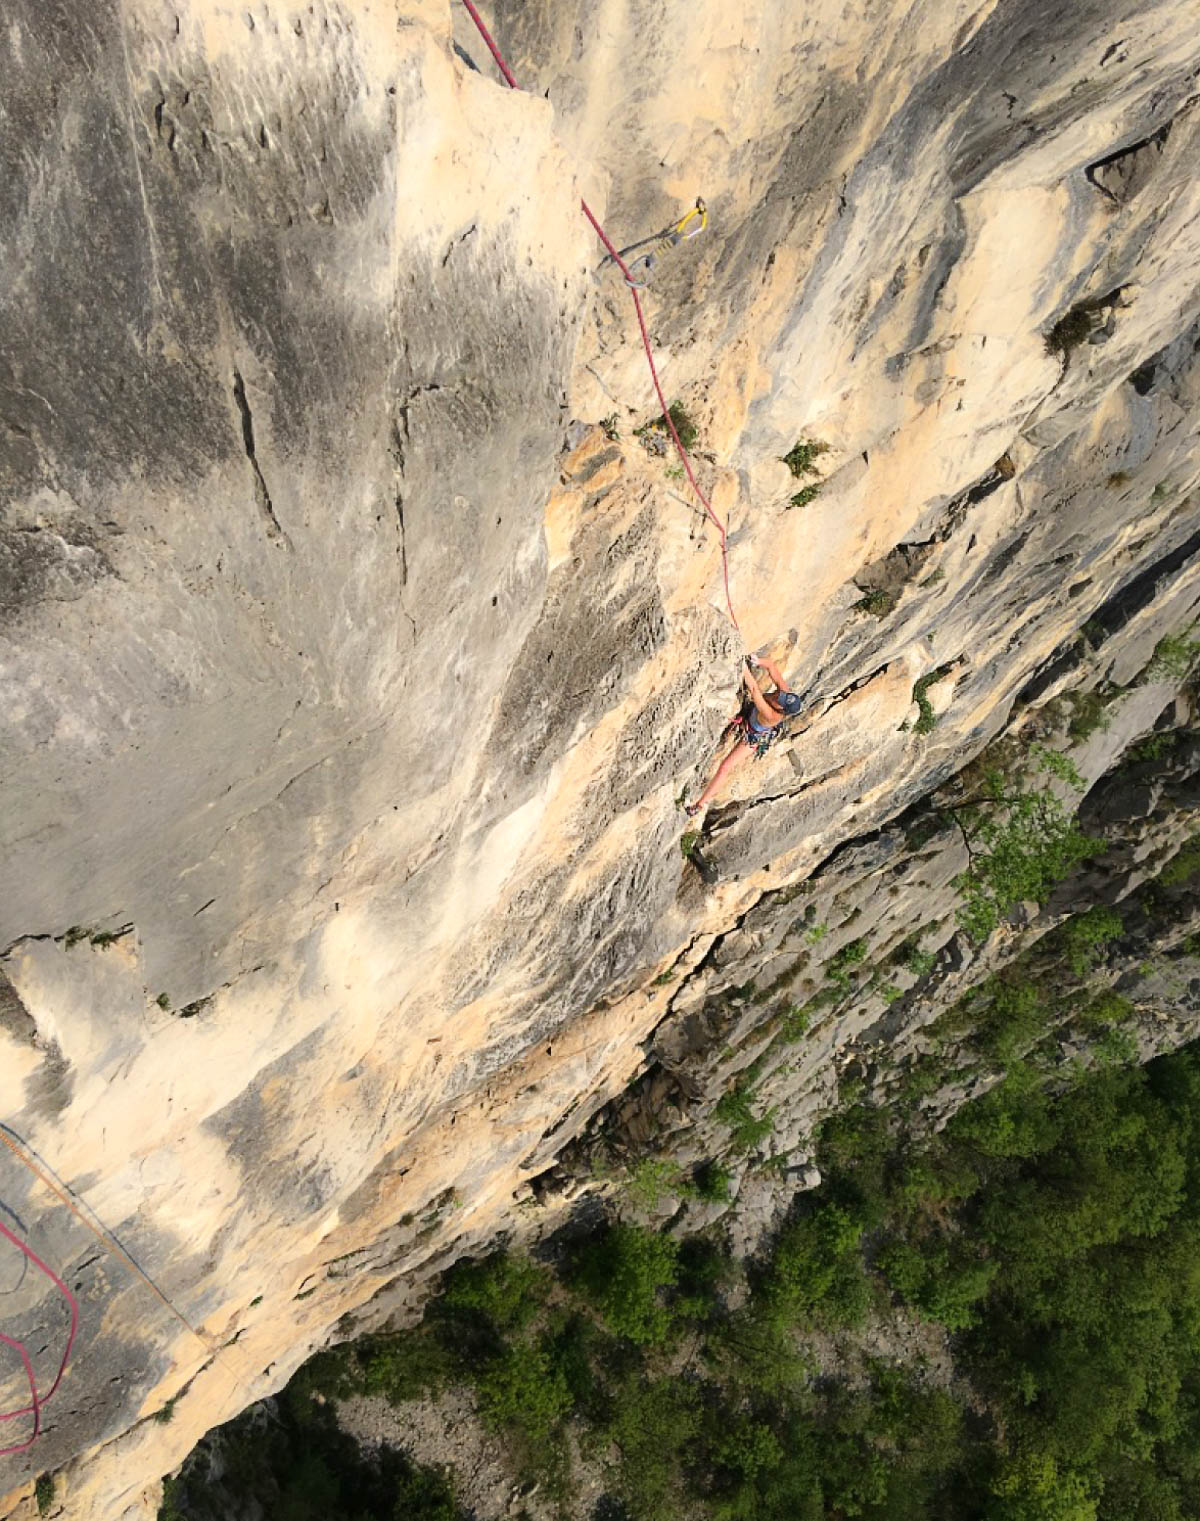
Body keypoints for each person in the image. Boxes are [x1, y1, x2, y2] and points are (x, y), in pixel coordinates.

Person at [686, 653, 808, 815]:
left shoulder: (773, 716)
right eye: (784, 695)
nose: (780, 695)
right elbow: (771, 665)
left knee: (725, 767)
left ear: (781, 709)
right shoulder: (784, 695)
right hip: (752, 715)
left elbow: (754, 690)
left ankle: (699, 805)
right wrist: (758, 661)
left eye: (781, 699)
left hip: (753, 736)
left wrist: (742, 664)